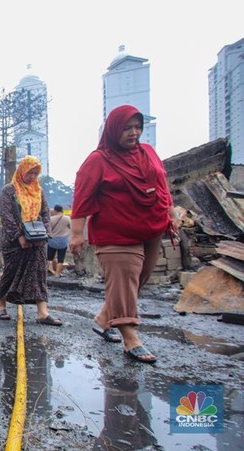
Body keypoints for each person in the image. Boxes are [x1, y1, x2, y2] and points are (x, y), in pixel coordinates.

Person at [69, 104, 178, 364]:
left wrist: (171, 215)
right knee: (124, 280)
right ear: (114, 129)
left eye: (137, 127)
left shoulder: (149, 152)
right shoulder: (98, 160)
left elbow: (162, 184)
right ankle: (131, 339)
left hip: (152, 226)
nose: (134, 132)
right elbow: (82, 196)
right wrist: (76, 233)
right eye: (127, 128)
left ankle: (103, 318)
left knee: (137, 279)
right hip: (115, 232)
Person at [0, 156, 62, 326]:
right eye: (29, 172)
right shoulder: (9, 190)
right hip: (14, 240)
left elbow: (45, 213)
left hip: (37, 239)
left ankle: (42, 312)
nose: (32, 176)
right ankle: (2, 306)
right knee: (10, 272)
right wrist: (19, 236)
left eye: (35, 173)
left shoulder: (38, 191)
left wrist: (45, 232)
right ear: (21, 171)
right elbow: (7, 215)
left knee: (39, 272)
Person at [47, 205, 71, 277]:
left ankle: (47, 272)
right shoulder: (67, 218)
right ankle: (57, 274)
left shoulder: (51, 219)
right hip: (62, 241)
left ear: (54, 210)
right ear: (62, 210)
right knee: (61, 258)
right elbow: (70, 227)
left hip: (52, 240)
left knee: (50, 258)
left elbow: (48, 229)